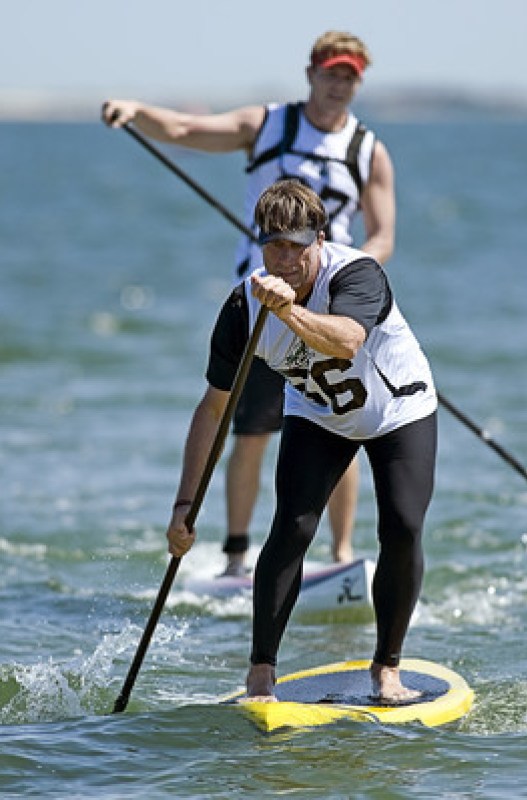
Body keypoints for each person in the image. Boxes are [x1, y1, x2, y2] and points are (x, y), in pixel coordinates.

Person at [101, 30, 395, 575]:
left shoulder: (368, 151)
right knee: (253, 430)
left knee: (341, 419)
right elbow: (187, 129)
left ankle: (341, 557)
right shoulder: (269, 125)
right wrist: (135, 110)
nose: (339, 85)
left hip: (330, 309)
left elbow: (382, 238)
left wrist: (352, 280)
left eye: (350, 76)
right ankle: (236, 558)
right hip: (262, 307)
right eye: (331, 73)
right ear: (311, 74)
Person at [166, 180, 437, 702]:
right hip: (319, 413)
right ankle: (261, 672)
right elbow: (213, 408)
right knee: (291, 528)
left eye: (296, 245)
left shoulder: (359, 273)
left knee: (402, 525)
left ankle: (387, 668)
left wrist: (288, 311)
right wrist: (182, 505)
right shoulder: (243, 308)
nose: (284, 259)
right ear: (259, 243)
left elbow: (347, 338)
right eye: (273, 245)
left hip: (398, 411)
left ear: (320, 239)